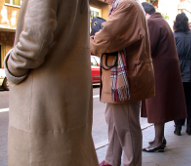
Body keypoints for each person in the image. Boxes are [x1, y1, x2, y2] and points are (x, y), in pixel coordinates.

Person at [4, 1, 98, 165]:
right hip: (69, 89)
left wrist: (12, 66)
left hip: (41, 96)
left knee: (38, 156)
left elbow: (36, 38)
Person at [90, 0, 155, 165]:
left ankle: (130, 163)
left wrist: (87, 42)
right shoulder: (124, 5)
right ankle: (112, 160)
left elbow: (106, 38)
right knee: (114, 121)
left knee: (126, 125)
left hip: (125, 78)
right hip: (120, 77)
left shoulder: (127, 5)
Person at [140, 2, 187, 152]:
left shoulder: (151, 22)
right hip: (165, 70)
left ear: (143, 13)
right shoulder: (161, 21)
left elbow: (148, 47)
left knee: (157, 107)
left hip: (158, 70)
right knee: (159, 106)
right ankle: (158, 138)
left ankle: (159, 141)